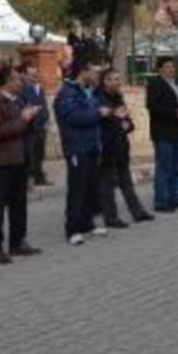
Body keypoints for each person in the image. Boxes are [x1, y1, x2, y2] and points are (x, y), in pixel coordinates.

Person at [0, 65, 43, 264]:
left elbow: (24, 128)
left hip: (19, 161)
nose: (21, 82)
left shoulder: (18, 101)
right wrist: (23, 119)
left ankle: (17, 243)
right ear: (6, 82)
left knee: (19, 205)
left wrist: (31, 117)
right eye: (16, 79)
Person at [54, 60, 110, 245]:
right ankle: (73, 230)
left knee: (90, 188)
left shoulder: (90, 91)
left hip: (92, 146)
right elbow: (74, 117)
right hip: (77, 147)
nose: (98, 76)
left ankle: (87, 225)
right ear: (83, 71)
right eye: (95, 72)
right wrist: (98, 113)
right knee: (77, 189)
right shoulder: (67, 93)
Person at [96, 69, 154, 227]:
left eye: (118, 79)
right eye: (112, 79)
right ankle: (111, 218)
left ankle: (138, 213)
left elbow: (127, 121)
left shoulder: (119, 97)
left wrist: (128, 124)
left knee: (126, 182)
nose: (117, 82)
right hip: (106, 147)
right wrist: (114, 115)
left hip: (121, 146)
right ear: (105, 81)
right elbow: (99, 120)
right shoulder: (98, 98)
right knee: (107, 185)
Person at [146, 57, 178, 213]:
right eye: (168, 66)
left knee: (177, 167)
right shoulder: (155, 84)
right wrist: (173, 113)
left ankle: (173, 198)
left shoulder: (175, 84)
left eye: (172, 67)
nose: (171, 69)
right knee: (164, 168)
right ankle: (161, 202)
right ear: (160, 69)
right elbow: (152, 105)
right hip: (163, 132)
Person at [18, 64, 52, 186]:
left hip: (41, 126)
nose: (34, 76)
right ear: (24, 75)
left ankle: (39, 176)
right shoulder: (22, 89)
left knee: (39, 153)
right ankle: (28, 178)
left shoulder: (39, 88)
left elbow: (44, 105)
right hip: (30, 127)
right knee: (29, 153)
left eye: (35, 74)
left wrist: (46, 119)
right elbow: (24, 107)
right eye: (31, 74)